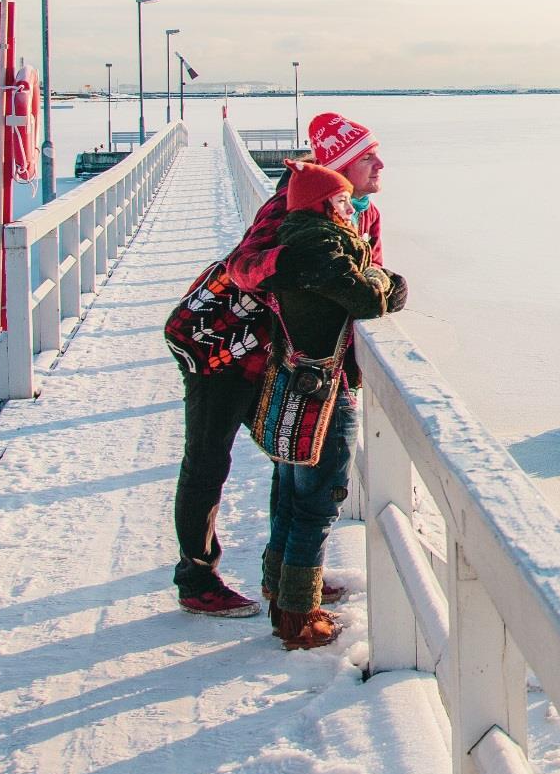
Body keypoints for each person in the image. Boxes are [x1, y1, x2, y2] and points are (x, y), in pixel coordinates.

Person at [166, 112, 402, 617]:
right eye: (367, 157)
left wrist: (377, 286)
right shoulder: (291, 207)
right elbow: (242, 267)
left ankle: (286, 576)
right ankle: (196, 577)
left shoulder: (364, 214)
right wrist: (293, 266)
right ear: (338, 168)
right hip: (224, 350)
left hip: (283, 355)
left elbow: (370, 275)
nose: (381, 164)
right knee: (208, 460)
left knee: (288, 458)